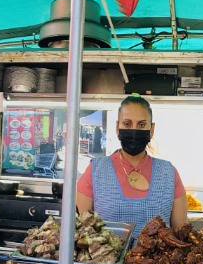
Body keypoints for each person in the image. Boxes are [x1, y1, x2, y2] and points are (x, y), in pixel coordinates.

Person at [76, 95, 188, 237]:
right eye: (127, 124)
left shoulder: (169, 173)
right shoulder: (95, 170)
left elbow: (181, 234)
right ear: (117, 127)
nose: (134, 130)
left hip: (157, 259)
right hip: (106, 259)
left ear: (151, 129)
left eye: (141, 125)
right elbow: (82, 233)